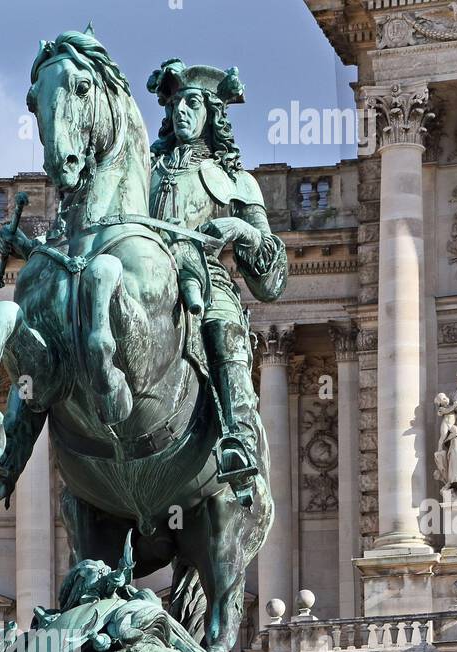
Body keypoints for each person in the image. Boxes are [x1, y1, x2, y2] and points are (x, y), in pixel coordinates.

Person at [146, 60, 288, 490]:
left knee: (224, 329)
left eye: (191, 103)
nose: (181, 113)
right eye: (174, 105)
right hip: (148, 279)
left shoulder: (238, 182)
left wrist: (240, 230)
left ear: (211, 112)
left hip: (208, 283)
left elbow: (271, 282)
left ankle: (240, 440)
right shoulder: (142, 176)